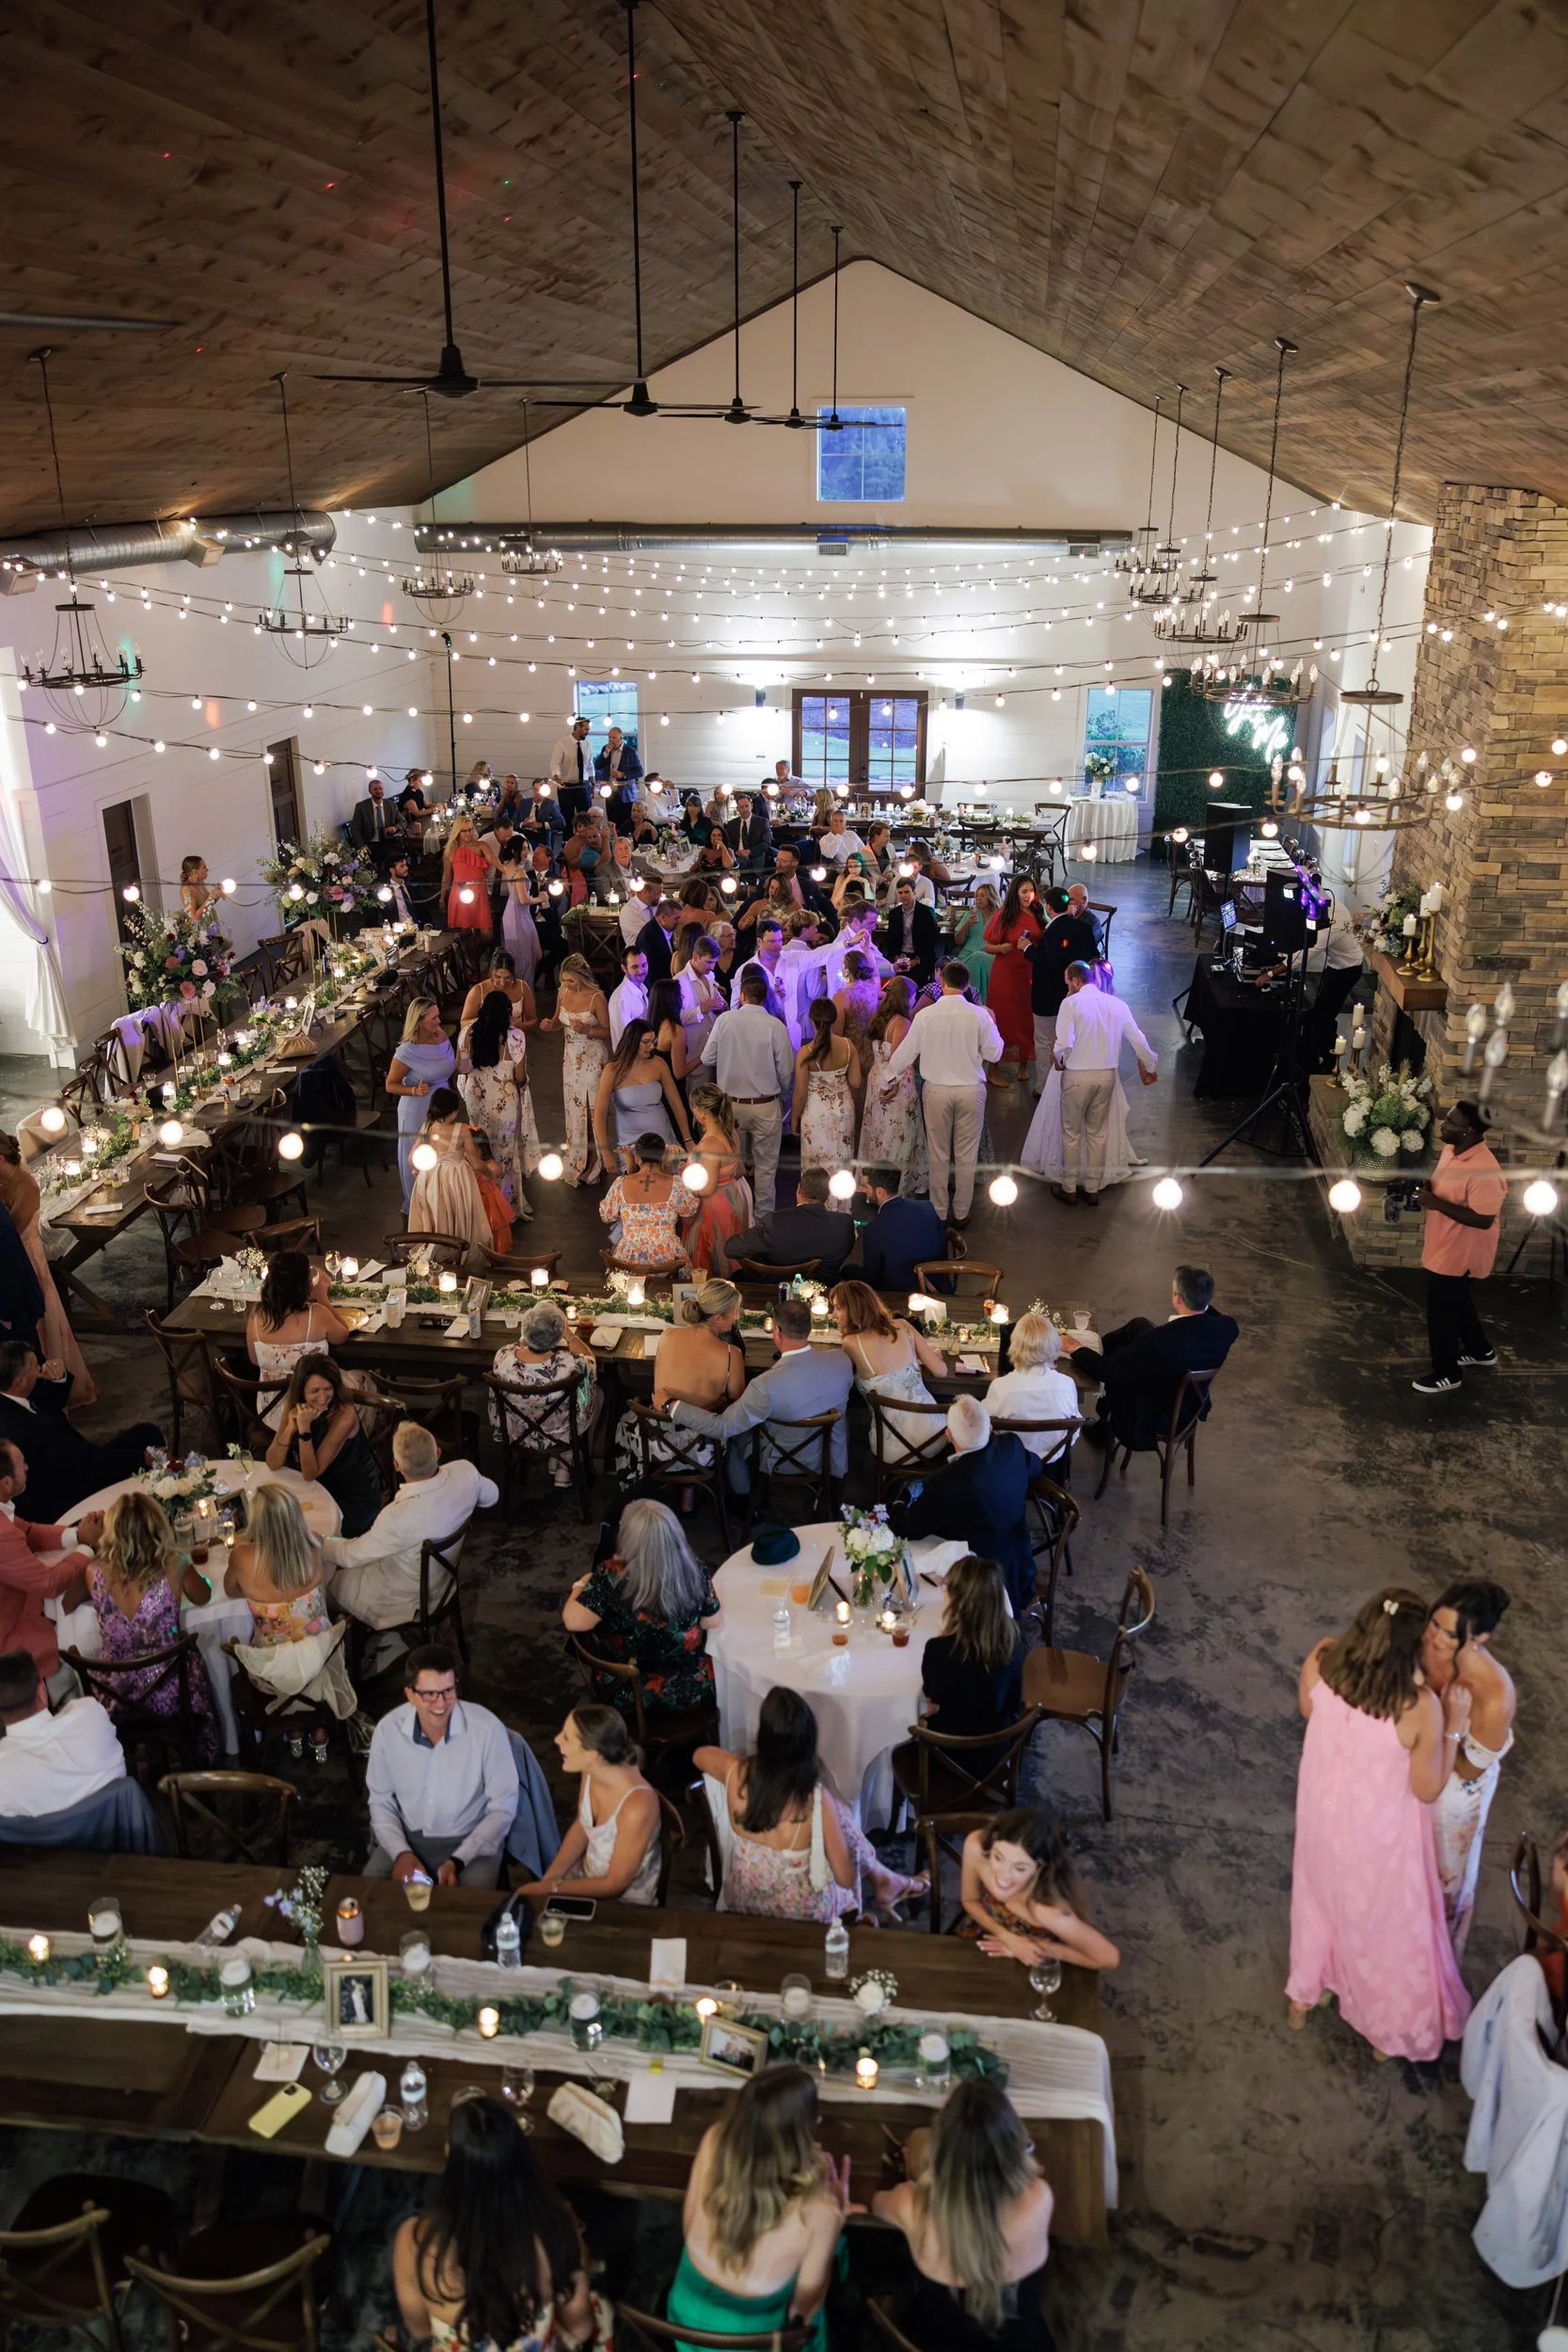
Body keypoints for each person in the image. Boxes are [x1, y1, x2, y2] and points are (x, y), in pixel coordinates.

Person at [1287, 1589, 1471, 2059]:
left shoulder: (1328, 1668)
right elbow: (1427, 1788)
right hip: (1378, 1844)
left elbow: (1309, 1707)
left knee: (1319, 1904)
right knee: (1381, 1928)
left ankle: (1304, 1996)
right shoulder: (1419, 1707)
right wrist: (1454, 1725)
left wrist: (1314, 1656)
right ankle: (1387, 2032)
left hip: (1322, 1826)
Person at [696, 1687, 925, 1922]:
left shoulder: (735, 1771)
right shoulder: (815, 1801)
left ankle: (883, 1880)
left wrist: (740, 1763)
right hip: (801, 1915)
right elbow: (845, 1878)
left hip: (743, 1900)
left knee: (838, 1816)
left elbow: (699, 1755)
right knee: (842, 1820)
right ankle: (876, 1892)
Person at [392, 2091, 598, 2352]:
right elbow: (580, 2329)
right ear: (522, 2159)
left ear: (453, 2162)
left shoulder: (413, 2240)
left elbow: (419, 2330)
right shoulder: (556, 2226)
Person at [668, 2064, 850, 2352]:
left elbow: (688, 2226)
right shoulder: (820, 2211)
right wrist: (837, 2215)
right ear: (804, 2131)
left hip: (687, 2320)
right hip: (756, 2341)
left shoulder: (714, 2139)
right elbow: (803, 2310)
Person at [871, 2080, 1056, 2352]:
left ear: (941, 2150)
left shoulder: (912, 2205)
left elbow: (877, 2204)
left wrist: (922, 2175)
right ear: (1013, 2142)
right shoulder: (1039, 2198)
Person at [325, 1422, 499, 1643]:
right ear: (437, 1452)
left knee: (328, 1581)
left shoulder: (398, 1516)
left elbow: (350, 1556)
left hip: (408, 1596)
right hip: (445, 1579)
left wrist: (320, 1543)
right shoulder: (465, 1471)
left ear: (396, 1465)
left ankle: (340, 1642)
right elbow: (492, 1496)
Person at [365, 1642, 518, 1886]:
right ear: (410, 1695)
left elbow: (503, 1808)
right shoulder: (387, 1731)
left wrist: (458, 1859)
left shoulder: (487, 1730)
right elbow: (381, 1800)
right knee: (371, 1893)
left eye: (448, 1691)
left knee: (470, 1911)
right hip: (407, 1836)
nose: (441, 1704)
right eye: (429, 1695)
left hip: (471, 1842)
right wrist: (401, 1853)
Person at [670, 1296, 854, 1495]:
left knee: (735, 1436)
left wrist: (672, 1407)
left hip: (783, 1461)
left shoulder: (765, 1385)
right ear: (809, 1329)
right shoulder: (841, 1361)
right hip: (829, 1456)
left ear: (777, 1332)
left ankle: (743, 1499)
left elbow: (722, 1427)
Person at [89, 1488, 219, 1762]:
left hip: (115, 1694)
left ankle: (139, 1754)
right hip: (170, 1689)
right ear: (158, 1527)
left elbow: (75, 1603)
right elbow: (205, 1596)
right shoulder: (175, 1565)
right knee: (195, 1656)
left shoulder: (94, 1573)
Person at [1422, 1580, 1516, 1957]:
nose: (1434, 1640)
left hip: (1454, 1794)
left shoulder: (1494, 1694)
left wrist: (1452, 1725)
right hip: (1419, 1761)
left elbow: (1468, 1771)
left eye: (1449, 1635)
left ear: (1480, 1639)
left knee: (1442, 1877)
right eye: (1433, 1625)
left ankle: (1439, 1958)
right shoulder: (1422, 1641)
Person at [565, 1497, 722, 1712]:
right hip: (695, 1690)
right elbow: (712, 1622)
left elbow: (573, 1621)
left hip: (631, 1694)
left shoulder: (610, 1577)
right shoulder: (696, 1569)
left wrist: (581, 1583)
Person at [1060, 1265, 1238, 1452]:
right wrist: (1200, 1298)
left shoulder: (1158, 1342)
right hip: (1189, 1404)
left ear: (1177, 1298)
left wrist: (1075, 1348)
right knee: (1139, 1325)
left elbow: (1111, 1373)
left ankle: (1104, 1429)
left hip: (1155, 1412)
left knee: (1118, 1362)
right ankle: (1098, 1351)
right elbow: (1210, 1316)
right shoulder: (1227, 1328)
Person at [880, 963, 1004, 1229]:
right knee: (966, 1154)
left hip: (936, 1090)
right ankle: (961, 1212)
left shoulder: (926, 1015)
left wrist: (887, 1078)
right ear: (967, 985)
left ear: (942, 982)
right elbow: (995, 1054)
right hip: (971, 1090)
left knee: (937, 1153)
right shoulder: (980, 1015)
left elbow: (905, 1053)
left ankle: (938, 1212)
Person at [890, 1396, 1036, 1617]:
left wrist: (899, 1502)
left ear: (948, 1435)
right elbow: (1035, 1466)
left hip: (976, 1586)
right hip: (1021, 1570)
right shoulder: (1012, 1447)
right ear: (991, 1428)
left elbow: (907, 1529)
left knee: (904, 1553)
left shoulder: (945, 1483)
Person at [0, 1342, 161, 1525]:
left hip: (76, 1461)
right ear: (20, 1380)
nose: (40, 1368)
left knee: (147, 1434)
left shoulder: (11, 1396)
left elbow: (50, 1404)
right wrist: (141, 1459)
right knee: (149, 1454)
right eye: (34, 1366)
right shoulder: (21, 1427)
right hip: (68, 1490)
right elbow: (84, 1461)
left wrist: (58, 1377)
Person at [518, 1706, 660, 1905]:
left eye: (566, 1737)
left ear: (593, 1755)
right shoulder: (592, 1770)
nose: (556, 1739)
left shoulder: (637, 1807)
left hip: (625, 1904)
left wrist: (551, 1888)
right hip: (586, 1878)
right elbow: (581, 1827)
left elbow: (614, 1884)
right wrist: (550, 1878)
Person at [1414, 1099, 1509, 1395]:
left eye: (1451, 1122)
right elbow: (1444, 1187)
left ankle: (1447, 1373)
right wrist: (1430, 1189)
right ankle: (1481, 1351)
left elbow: (1483, 1220)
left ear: (1468, 1131)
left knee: (1442, 1311)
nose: (1444, 1125)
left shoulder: (1485, 1171)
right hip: (1444, 1242)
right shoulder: (1450, 1151)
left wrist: (1435, 1203)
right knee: (1457, 1302)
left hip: (1462, 1252)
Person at [612, 1283, 744, 1486]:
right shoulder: (731, 1354)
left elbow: (660, 1385)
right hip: (701, 1448)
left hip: (655, 1442)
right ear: (719, 1317)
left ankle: (637, 1487)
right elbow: (737, 1399)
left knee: (625, 1418)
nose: (737, 1317)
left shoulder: (667, 1335)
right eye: (735, 1312)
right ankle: (691, 1491)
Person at [1047, 962, 1156, 1205]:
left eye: (1068, 982)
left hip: (1077, 1077)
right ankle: (1093, 1188)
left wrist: (1059, 1061)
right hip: (1107, 1076)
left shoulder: (1071, 1004)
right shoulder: (1117, 1005)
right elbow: (1138, 1039)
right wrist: (1150, 1066)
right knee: (1097, 1133)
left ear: (1076, 981)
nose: (1068, 987)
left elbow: (1064, 1042)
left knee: (1071, 1133)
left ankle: (1069, 1187)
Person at [958, 1806, 1120, 1968]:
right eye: (998, 1857)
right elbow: (969, 1900)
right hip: (985, 1932)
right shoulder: (976, 1846)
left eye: (1020, 1868)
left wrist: (1041, 1949)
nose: (1003, 1876)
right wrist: (1006, 1936)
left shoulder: (1048, 1911)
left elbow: (1109, 1959)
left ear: (1039, 1868)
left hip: (1029, 1957)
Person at [0, 1133, 93, 1402]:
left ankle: (53, 1386)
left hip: (29, 1258)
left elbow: (14, 1231)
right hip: (15, 1260)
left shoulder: (25, 1184)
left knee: (42, 1321)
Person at [0, 1442, 99, 1692]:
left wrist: (77, 1534)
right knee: (92, 1617)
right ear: (5, 1483)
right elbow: (49, 1584)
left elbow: (30, 1531)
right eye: (21, 1463)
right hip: (14, 1639)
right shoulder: (2, 1535)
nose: (27, 1466)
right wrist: (89, 1548)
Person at [912, 1554, 1024, 1767]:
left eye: (947, 1589)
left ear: (959, 1601)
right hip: (998, 1753)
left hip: (947, 1757)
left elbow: (931, 1700)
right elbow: (1014, 1698)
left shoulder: (940, 1650)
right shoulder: (1016, 1640)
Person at [700, 971, 794, 1217]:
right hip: (765, 1104)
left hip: (730, 1105)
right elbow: (786, 1072)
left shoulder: (725, 1021)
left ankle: (735, 1216)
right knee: (766, 1169)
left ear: (742, 996)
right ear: (765, 999)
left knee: (731, 1165)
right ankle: (763, 1221)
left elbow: (706, 1058)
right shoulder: (776, 1026)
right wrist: (782, 1097)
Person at [0, 1646, 126, 1820]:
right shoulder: (90, 1714)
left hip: (54, 1846)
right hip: (123, 1840)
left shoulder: (3, 1774)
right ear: (41, 1691)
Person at [264, 1358, 384, 1539]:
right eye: (315, 1391)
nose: (322, 1397)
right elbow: (272, 1462)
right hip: (313, 1488)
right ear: (301, 1391)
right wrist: (290, 1429)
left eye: (328, 1389)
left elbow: (311, 1472)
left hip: (350, 1495)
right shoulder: (293, 1406)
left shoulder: (345, 1415)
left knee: (299, 1534)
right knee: (272, 1523)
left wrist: (304, 1429)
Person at [831, 1279, 945, 1459]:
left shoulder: (851, 1343)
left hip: (893, 1450)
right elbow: (941, 1372)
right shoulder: (903, 1326)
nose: (833, 1314)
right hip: (935, 1437)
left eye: (838, 1308)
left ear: (854, 1308)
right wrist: (932, 1359)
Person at [489, 1301, 599, 1487]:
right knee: (596, 1394)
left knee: (571, 1400)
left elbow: (520, 1347)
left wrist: (528, 1340)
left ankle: (561, 1460)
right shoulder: (572, 1365)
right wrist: (570, 1335)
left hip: (517, 1431)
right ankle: (567, 1456)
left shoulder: (503, 1356)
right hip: (561, 1432)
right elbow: (591, 1361)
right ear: (558, 1335)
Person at [246, 1250, 350, 1426]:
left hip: (271, 1413)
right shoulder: (316, 1314)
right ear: (304, 1286)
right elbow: (343, 1334)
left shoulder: (256, 1314)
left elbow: (255, 1360)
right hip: (314, 1411)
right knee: (366, 1379)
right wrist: (322, 1298)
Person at [461, 990, 540, 1220]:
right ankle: (504, 1205)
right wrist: (523, 1084)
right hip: (504, 1102)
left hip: (476, 1099)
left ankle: (483, 1201)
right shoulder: (515, 1037)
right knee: (504, 1153)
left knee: (480, 1149)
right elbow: (519, 1076)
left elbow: (463, 1068)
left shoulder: (467, 1034)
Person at [541, 955, 610, 1186]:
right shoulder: (563, 993)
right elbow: (558, 1020)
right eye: (564, 981)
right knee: (573, 1108)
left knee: (591, 1109)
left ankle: (594, 1158)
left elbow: (609, 1031)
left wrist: (587, 1031)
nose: (567, 985)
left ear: (581, 976)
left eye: (571, 981)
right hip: (570, 1059)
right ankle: (578, 1154)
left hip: (592, 1058)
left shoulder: (597, 998)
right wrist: (550, 1025)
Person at [1022, 886, 1099, 1089]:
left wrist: (1027, 948)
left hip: (1049, 997)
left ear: (1048, 907)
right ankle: (1070, 1083)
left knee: (1044, 1040)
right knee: (1072, 1038)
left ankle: (1044, 1087)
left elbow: (1050, 963)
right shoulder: (1083, 927)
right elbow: (1093, 957)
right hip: (1078, 995)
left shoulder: (1053, 930)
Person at [855, 982, 927, 1197]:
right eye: (914, 996)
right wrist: (893, 1086)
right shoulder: (902, 1023)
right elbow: (898, 1059)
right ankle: (895, 1189)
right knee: (899, 1135)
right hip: (895, 1082)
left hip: (876, 1075)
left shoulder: (879, 1019)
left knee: (878, 1132)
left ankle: (873, 1184)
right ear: (907, 998)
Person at [408, 1089, 497, 1263]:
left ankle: (436, 1248)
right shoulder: (462, 1129)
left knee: (436, 1213)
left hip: (430, 1178)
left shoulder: (426, 1127)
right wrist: (490, 1174)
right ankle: (457, 1248)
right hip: (456, 1179)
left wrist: (419, 1171)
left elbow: (412, 1158)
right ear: (454, 1111)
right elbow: (476, 1163)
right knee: (457, 1211)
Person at [984, 1312, 1081, 1470]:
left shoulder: (1001, 1387)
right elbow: (1074, 1432)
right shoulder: (1066, 1385)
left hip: (1009, 1466)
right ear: (1054, 1347)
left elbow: (985, 1424)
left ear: (1015, 1346)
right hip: (1053, 1466)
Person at [388, 998, 458, 1207]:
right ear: (419, 1021)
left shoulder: (442, 1036)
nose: (439, 1021)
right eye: (433, 1018)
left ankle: (441, 1200)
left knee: (443, 1151)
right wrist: (413, 1090)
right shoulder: (406, 1051)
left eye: (438, 1015)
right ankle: (419, 1203)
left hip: (442, 1104)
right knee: (420, 1153)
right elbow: (390, 1085)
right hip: (417, 1107)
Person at [729, 1166, 854, 1280]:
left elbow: (731, 1248)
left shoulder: (773, 1222)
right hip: (825, 1294)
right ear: (828, 1195)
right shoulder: (844, 1225)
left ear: (798, 1189)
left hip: (775, 1292)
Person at [598, 1135, 699, 1273]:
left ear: (637, 1158)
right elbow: (689, 1221)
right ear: (663, 1157)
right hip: (668, 1260)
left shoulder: (620, 1184)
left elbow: (607, 1217)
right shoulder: (677, 1184)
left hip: (629, 1258)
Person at [684, 1089, 755, 1276]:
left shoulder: (710, 1144)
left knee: (715, 1255)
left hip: (713, 1208)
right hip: (731, 1198)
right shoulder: (730, 1133)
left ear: (701, 1112)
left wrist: (685, 1175)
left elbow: (706, 1188)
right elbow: (739, 1170)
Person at [982, 880, 1043, 1086]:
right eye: (1024, 891)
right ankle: (993, 1069)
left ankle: (1023, 1065)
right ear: (1015, 893)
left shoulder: (1037, 911)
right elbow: (987, 945)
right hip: (1006, 974)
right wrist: (1001, 949)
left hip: (1029, 972)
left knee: (1026, 1018)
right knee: (1003, 1019)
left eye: (1031, 891)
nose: (1028, 896)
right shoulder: (1005, 914)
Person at [792, 1000, 860, 1173]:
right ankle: (841, 1200)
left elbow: (800, 1092)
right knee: (842, 1164)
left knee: (816, 1167)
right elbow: (855, 1082)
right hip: (843, 1112)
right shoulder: (848, 1046)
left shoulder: (805, 1052)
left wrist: (794, 1118)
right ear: (834, 1019)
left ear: (811, 1020)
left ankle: (816, 1199)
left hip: (816, 1114)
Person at [858, 1168, 945, 1294]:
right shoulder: (927, 1206)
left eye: (865, 1186)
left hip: (899, 1293)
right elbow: (942, 1242)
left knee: (849, 1271)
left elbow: (871, 1278)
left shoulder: (874, 1229)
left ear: (880, 1191)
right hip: (937, 1283)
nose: (863, 1190)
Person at [459, 948, 537, 1042]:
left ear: (513, 974)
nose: (503, 983)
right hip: (484, 1044)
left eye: (507, 978)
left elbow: (533, 1019)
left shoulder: (522, 987)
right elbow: (463, 1022)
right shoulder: (478, 991)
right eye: (498, 977)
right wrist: (485, 1021)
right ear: (491, 972)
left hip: (513, 1044)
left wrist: (520, 1026)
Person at [444, 818, 500, 936]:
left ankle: (476, 952)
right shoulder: (450, 850)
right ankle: (470, 954)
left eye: (470, 829)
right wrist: (441, 897)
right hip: (460, 892)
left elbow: (492, 859)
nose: (468, 833)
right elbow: (447, 876)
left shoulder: (481, 845)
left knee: (487, 933)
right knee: (466, 932)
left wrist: (507, 871)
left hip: (479, 892)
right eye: (464, 831)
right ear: (457, 832)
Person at [879, 877, 941, 987]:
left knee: (911, 984)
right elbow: (891, 940)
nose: (903, 895)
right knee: (891, 984)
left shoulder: (925, 912)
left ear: (914, 892)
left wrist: (916, 960)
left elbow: (931, 941)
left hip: (920, 957)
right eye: (900, 893)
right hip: (900, 957)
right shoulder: (894, 914)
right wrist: (896, 958)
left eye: (907, 892)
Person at [952, 882, 999, 1003]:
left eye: (982, 895)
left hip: (990, 955)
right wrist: (966, 925)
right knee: (976, 957)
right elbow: (958, 941)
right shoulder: (971, 914)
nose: (978, 898)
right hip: (968, 954)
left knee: (980, 957)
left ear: (991, 896)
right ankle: (972, 1002)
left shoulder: (999, 917)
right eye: (977, 896)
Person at [549, 716, 596, 823]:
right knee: (567, 817)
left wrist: (593, 783)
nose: (588, 732)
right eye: (586, 729)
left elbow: (590, 765)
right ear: (577, 727)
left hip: (583, 786)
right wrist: (557, 779)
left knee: (585, 818)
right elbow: (555, 764)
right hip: (567, 787)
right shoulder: (562, 744)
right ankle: (568, 839)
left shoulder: (587, 744)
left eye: (588, 729)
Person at [607, 946, 651, 1049]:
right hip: (630, 1058)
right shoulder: (621, 999)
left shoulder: (642, 989)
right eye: (635, 967)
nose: (641, 971)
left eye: (644, 965)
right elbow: (625, 1037)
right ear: (624, 968)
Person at [350, 777, 403, 861]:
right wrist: (362, 847)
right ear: (370, 791)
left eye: (380, 788)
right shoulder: (361, 807)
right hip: (370, 844)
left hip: (389, 841)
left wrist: (395, 828)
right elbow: (354, 828)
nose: (379, 791)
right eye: (375, 789)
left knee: (402, 852)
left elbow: (402, 821)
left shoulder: (391, 805)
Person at [637, 898, 682, 987]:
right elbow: (651, 973)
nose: (679, 922)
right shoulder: (649, 937)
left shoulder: (664, 929)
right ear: (663, 918)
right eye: (676, 918)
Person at [726, 791, 772, 869]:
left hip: (755, 856)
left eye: (747, 806)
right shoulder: (731, 824)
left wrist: (749, 851)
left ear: (751, 806)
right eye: (742, 807)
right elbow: (728, 842)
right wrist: (736, 852)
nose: (745, 809)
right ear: (737, 809)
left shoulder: (762, 822)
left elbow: (766, 842)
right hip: (736, 856)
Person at [178, 852, 219, 922]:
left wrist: (217, 893)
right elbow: (194, 918)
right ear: (195, 872)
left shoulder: (200, 882)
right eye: (204, 867)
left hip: (210, 922)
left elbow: (208, 904)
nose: (207, 869)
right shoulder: (187, 890)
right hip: (202, 930)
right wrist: (210, 898)